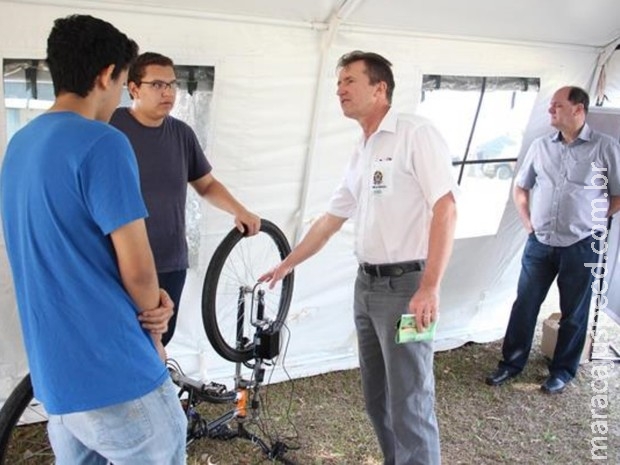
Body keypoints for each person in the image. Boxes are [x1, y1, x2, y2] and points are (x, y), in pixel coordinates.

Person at [0, 15, 187, 464]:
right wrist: (156, 319)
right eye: (124, 83)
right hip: (116, 370)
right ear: (107, 75)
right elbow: (140, 267)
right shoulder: (103, 142)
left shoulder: (19, 145)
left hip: (57, 380)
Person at [260, 51, 457, 465]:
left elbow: (446, 208)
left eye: (349, 81)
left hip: (407, 289)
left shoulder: (413, 134)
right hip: (366, 288)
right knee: (377, 400)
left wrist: (430, 287)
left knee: (411, 402)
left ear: (379, 88)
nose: (340, 90)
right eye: (338, 83)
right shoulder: (363, 148)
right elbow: (331, 219)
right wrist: (287, 263)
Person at [110, 52, 261, 346]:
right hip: (118, 262)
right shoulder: (110, 127)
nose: (167, 92)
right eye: (157, 85)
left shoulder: (182, 134)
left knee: (158, 343)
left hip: (169, 260)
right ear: (133, 88)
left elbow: (205, 184)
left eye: (172, 84)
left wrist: (238, 210)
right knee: (119, 345)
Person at [485, 86, 620, 394]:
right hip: (540, 242)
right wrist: (527, 222)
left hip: (581, 244)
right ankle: (511, 364)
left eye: (557, 106)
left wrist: (595, 221)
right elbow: (521, 187)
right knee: (525, 304)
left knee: (574, 311)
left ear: (578, 109)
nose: (550, 111)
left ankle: (562, 371)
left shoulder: (605, 147)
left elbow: (618, 193)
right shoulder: (541, 146)